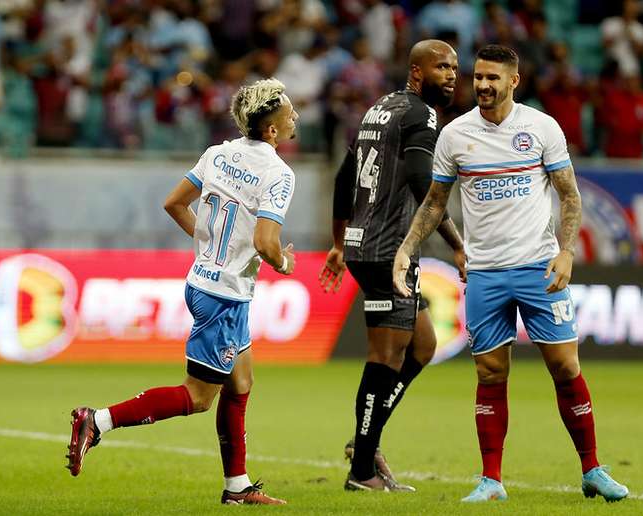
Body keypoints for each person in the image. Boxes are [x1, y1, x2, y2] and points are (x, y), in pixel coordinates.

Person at [392, 45, 629, 503]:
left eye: (492, 78)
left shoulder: (541, 128)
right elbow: (436, 202)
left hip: (538, 270)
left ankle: (593, 468)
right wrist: (407, 247)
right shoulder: (455, 135)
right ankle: (492, 480)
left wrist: (566, 252)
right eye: (477, 77)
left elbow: (571, 196)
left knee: (565, 366)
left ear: (513, 82)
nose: (482, 85)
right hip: (484, 274)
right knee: (490, 372)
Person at [67, 78, 298, 506]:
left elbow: (174, 202)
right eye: (289, 113)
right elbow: (268, 242)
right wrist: (283, 263)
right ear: (270, 130)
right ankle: (97, 421)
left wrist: (211, 247)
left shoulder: (217, 154)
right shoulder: (279, 174)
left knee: (241, 382)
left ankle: (237, 487)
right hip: (226, 296)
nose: (295, 117)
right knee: (198, 397)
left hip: (204, 283)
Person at [319, 39, 465, 492]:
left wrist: (341, 243)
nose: (452, 75)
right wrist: (458, 245)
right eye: (442, 67)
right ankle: (362, 470)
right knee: (385, 357)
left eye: (455, 67)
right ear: (417, 72)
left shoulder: (380, 109)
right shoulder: (422, 115)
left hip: (367, 247)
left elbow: (347, 176)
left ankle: (366, 441)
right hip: (390, 253)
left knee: (422, 345)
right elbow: (425, 183)